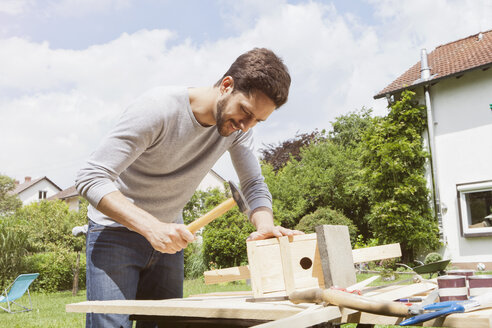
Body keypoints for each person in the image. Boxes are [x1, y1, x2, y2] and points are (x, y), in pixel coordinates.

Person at [75, 47, 302, 328]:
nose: (246, 126)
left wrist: (264, 225)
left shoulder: (238, 131)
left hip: (169, 239)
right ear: (227, 85)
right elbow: (91, 176)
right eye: (245, 111)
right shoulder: (158, 109)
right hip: (114, 233)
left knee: (167, 325)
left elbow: (253, 184)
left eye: (257, 120)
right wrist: (151, 227)